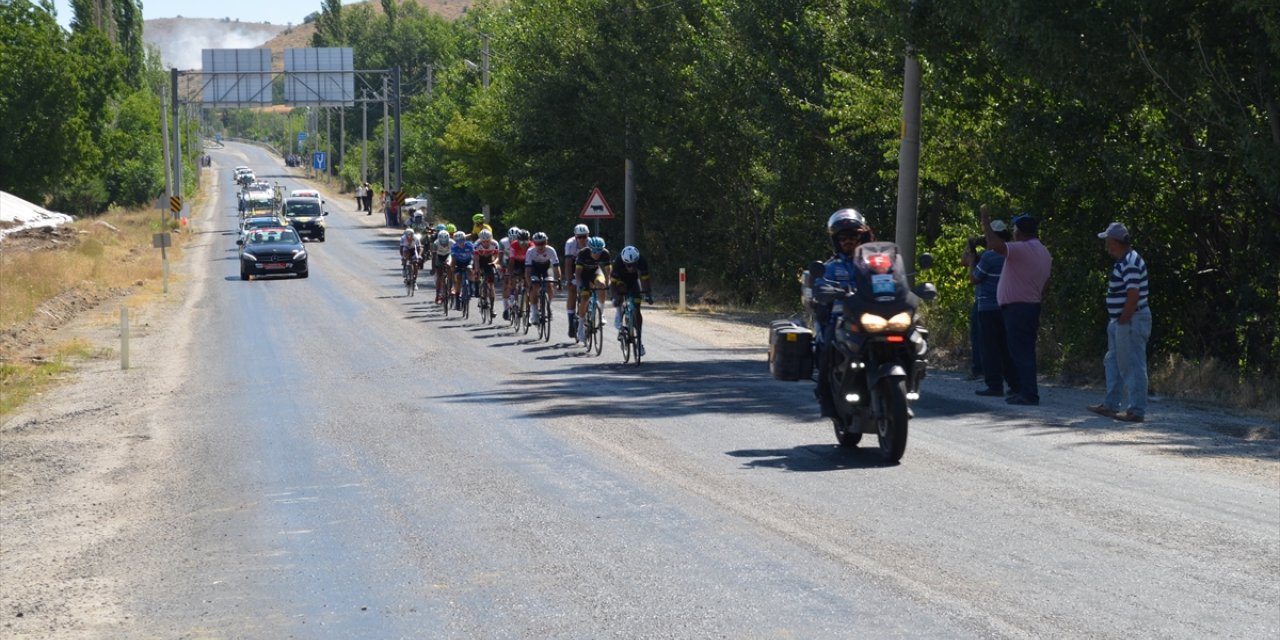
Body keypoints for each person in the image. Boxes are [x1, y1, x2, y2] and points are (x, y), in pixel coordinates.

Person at [981, 205, 1052, 406]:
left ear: (1019, 232)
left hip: (1018, 308)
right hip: (1030, 306)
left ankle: (1029, 393)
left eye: (1014, 230)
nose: (1012, 234)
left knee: (1020, 352)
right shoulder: (1044, 252)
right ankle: (1024, 389)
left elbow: (995, 245)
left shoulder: (1021, 249)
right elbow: (1046, 284)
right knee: (1023, 350)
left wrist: (985, 222)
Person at [811, 208, 875, 418]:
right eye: (843, 237)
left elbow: (893, 279)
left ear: (862, 236)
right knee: (827, 347)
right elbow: (819, 287)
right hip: (841, 319)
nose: (849, 241)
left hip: (873, 317)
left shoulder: (874, 263)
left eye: (853, 236)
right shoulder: (831, 267)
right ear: (836, 240)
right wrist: (824, 290)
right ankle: (825, 397)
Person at [1087, 222, 1151, 423]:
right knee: (1113, 361)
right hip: (1122, 320)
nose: (1106, 245)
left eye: (1108, 241)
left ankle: (1136, 411)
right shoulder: (1125, 261)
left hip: (1130, 319)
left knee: (1132, 364)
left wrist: (1124, 319)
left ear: (1115, 241)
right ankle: (1111, 404)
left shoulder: (1130, 262)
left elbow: (1133, 294)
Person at [966, 220, 1018, 397]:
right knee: (1006, 347)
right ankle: (1014, 384)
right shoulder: (1012, 252)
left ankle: (995, 385)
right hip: (1007, 305)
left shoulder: (989, 256)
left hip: (987, 306)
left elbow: (974, 278)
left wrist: (973, 260)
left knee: (989, 348)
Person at [610, 246, 653, 357]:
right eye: (629, 265)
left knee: (637, 308)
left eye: (634, 265)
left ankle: (639, 341)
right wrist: (615, 297)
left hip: (633, 281)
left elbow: (645, 279)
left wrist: (648, 294)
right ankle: (619, 315)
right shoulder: (618, 263)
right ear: (624, 262)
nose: (632, 268)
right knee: (620, 293)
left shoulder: (641, 261)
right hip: (620, 281)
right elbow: (613, 286)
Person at [574, 237, 612, 343]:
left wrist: (608, 282)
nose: (596, 254)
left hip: (595, 271)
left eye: (599, 251)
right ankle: (580, 327)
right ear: (589, 249)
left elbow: (608, 270)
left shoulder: (605, 253)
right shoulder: (583, 253)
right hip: (583, 275)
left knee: (602, 284)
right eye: (594, 251)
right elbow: (578, 273)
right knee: (585, 298)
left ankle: (602, 312)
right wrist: (579, 284)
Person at [525, 232, 561, 325]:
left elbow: (556, 267)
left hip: (546, 268)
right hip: (535, 268)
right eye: (537, 244)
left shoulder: (551, 250)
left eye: (542, 243)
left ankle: (549, 306)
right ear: (534, 243)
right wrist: (529, 283)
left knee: (549, 285)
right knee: (535, 286)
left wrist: (559, 280)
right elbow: (528, 270)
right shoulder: (530, 251)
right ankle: (534, 312)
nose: (540, 246)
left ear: (546, 242)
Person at [563, 224, 591, 339]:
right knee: (572, 290)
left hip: (588, 266)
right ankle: (571, 323)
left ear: (587, 236)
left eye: (584, 237)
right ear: (575, 237)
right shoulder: (570, 244)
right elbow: (568, 264)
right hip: (574, 266)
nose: (582, 239)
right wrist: (569, 280)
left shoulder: (591, 243)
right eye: (579, 237)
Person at [473, 229, 503, 319]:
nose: (485, 243)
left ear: (491, 239)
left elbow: (497, 258)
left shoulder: (495, 244)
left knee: (491, 284)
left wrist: (494, 263)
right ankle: (477, 285)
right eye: (483, 241)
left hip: (490, 261)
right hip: (479, 260)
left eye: (487, 241)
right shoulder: (477, 245)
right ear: (480, 240)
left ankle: (492, 308)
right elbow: (476, 260)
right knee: (476, 271)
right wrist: (477, 271)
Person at [505, 229, 532, 319]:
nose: (523, 243)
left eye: (525, 240)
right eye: (521, 241)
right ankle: (512, 296)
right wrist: (511, 273)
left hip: (527, 263)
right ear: (518, 239)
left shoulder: (532, 245)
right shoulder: (514, 245)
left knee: (528, 284)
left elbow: (533, 262)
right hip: (516, 262)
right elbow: (511, 262)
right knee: (513, 278)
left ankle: (528, 309)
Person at [450, 230, 475, 308]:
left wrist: (474, 265)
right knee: (458, 279)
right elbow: (453, 260)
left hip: (468, 261)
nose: (460, 242)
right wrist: (453, 268)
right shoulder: (454, 247)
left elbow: (475, 257)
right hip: (458, 263)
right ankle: (457, 299)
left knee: (470, 270)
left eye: (462, 240)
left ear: (465, 239)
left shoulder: (470, 245)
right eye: (458, 241)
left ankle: (471, 285)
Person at [430, 230, 454, 304]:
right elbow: (434, 257)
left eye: (445, 242)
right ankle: (438, 295)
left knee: (449, 266)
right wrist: (433, 268)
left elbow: (455, 254)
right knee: (439, 276)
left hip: (448, 255)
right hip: (439, 256)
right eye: (442, 243)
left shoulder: (452, 242)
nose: (444, 245)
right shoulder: (435, 243)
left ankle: (451, 285)